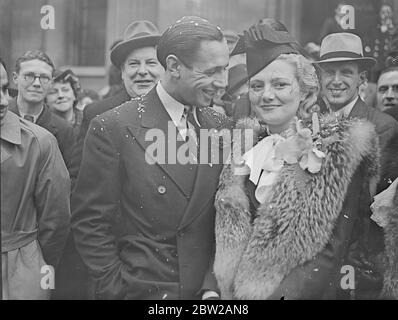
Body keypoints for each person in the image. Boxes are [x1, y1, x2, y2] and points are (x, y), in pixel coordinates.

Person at [214, 22, 380, 300]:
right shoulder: (241, 148)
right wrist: (211, 292)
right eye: (257, 85)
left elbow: (332, 251)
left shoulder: (337, 148)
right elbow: (223, 238)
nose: (266, 95)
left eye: (280, 84)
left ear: (306, 92)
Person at [71, 16, 232, 300]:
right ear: (173, 66)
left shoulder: (218, 125)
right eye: (211, 71)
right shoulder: (113, 127)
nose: (221, 83)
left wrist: (213, 287)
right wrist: (120, 289)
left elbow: (224, 219)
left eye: (225, 70)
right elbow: (90, 223)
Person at [315, 32, 398, 299]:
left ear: (362, 78)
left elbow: (368, 208)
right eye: (329, 72)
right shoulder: (311, 125)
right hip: (315, 266)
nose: (336, 81)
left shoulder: (383, 128)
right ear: (320, 78)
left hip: (358, 269)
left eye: (346, 72)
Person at [1, 58, 70, 299]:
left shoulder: (42, 141)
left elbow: (57, 217)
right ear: (18, 77)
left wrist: (38, 261)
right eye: (29, 75)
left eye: (3, 89)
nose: (3, 100)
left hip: (20, 267)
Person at [69, 20, 165, 186]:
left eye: (151, 63)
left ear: (164, 69)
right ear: (122, 72)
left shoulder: (180, 113)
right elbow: (78, 180)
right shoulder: (97, 114)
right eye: (134, 64)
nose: (142, 71)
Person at [8, 50, 75, 173]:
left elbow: (69, 178)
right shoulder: (3, 117)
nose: (37, 84)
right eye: (29, 76)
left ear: (51, 83)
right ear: (15, 78)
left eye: (44, 78)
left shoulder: (65, 130)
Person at [46, 69, 82, 135]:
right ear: (45, 100)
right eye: (53, 92)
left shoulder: (88, 122)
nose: (61, 95)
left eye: (65, 90)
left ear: (74, 94)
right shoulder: (42, 126)